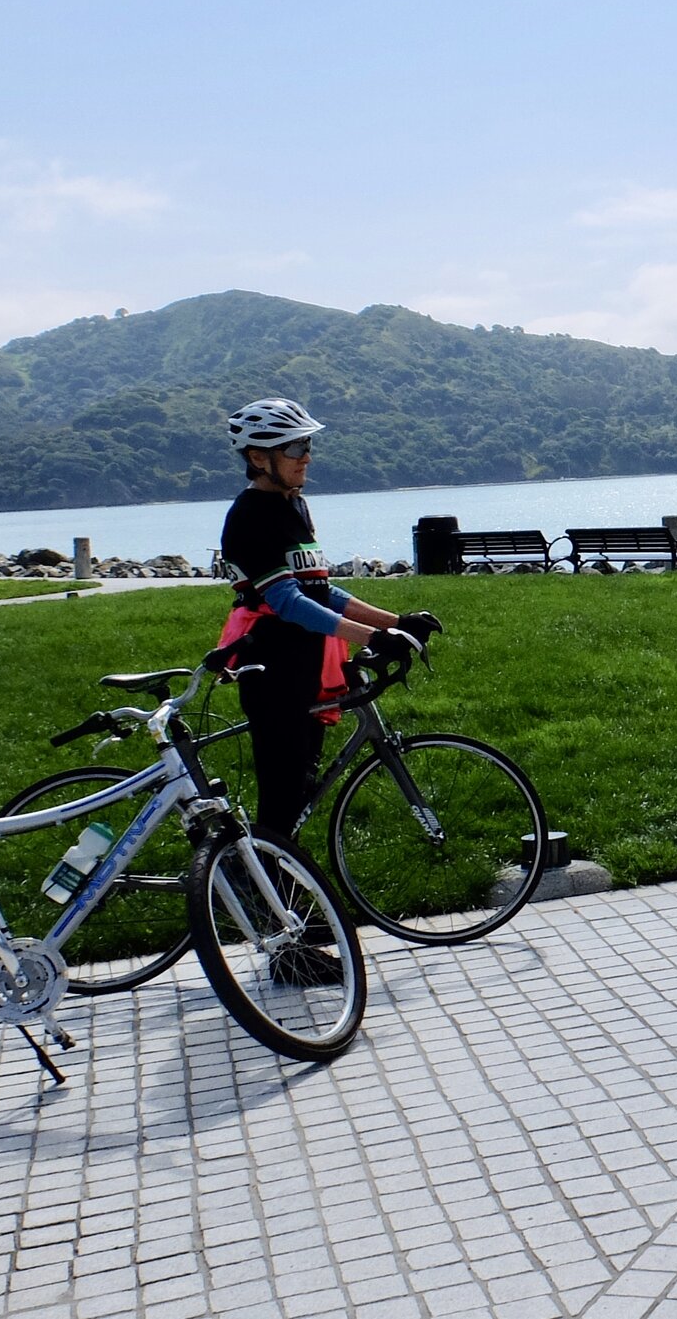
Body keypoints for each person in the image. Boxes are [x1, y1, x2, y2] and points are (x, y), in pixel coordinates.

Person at [217, 397, 439, 983]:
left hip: (309, 666)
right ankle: (281, 945)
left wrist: (394, 622)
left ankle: (284, 907)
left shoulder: (294, 506)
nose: (306, 457)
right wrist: (372, 636)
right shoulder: (250, 517)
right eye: (295, 448)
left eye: (307, 446)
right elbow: (287, 604)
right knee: (281, 805)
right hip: (272, 671)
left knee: (297, 796)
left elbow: (322, 590)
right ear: (259, 457)